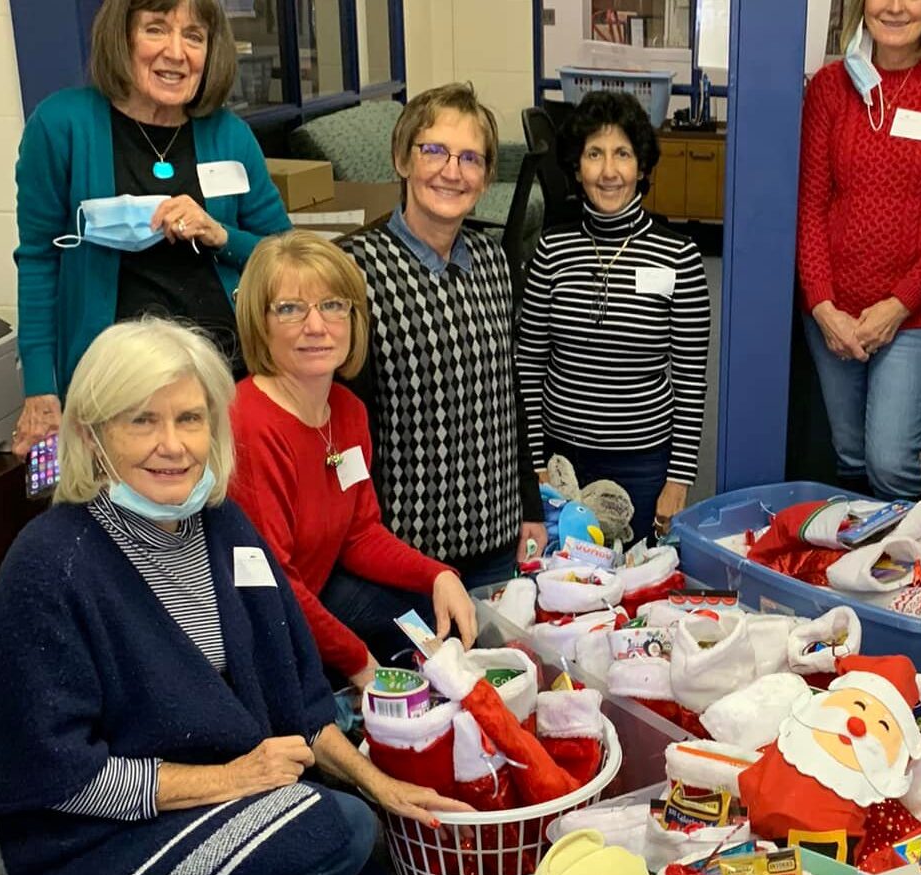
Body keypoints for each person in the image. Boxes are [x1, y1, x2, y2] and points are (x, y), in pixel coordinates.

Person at [0, 320, 469, 875]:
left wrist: (381, 781)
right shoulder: (52, 564)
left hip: (223, 787)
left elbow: (298, 696)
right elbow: (57, 777)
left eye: (189, 418)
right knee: (339, 831)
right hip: (88, 844)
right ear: (91, 435)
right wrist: (236, 780)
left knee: (371, 840)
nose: (172, 445)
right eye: (141, 420)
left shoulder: (225, 525)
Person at [11, 0, 291, 458]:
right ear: (121, 37)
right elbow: (39, 260)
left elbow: (286, 256)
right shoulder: (61, 124)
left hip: (224, 380)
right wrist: (41, 388)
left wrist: (220, 234)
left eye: (194, 36)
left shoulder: (229, 133)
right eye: (156, 29)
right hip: (113, 390)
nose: (177, 52)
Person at [228, 232, 478, 688]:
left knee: (437, 624)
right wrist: (360, 662)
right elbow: (274, 583)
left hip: (316, 597)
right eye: (290, 309)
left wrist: (437, 574)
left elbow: (360, 533)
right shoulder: (248, 422)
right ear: (259, 323)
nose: (317, 325)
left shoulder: (346, 410)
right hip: (255, 632)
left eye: (332, 305)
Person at [340, 83, 547, 586]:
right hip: (409, 553)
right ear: (401, 158)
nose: (452, 171)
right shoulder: (355, 269)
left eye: (470, 158)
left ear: (485, 176)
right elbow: (346, 425)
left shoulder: (495, 260)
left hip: (497, 537)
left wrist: (529, 506)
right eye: (434, 150)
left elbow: (509, 393)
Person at [797, 0, 921, 501]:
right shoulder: (828, 87)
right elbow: (810, 205)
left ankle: (919, 554)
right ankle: (862, 568)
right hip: (834, 313)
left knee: (889, 464)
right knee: (850, 456)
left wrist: (898, 304)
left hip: (913, 314)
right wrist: (823, 306)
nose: (895, 7)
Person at [515, 90, 711, 543]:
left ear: (641, 167)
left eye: (622, 154)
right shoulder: (551, 250)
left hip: (643, 460)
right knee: (560, 587)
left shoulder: (679, 257)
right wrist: (535, 466)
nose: (608, 172)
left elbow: (690, 378)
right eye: (594, 154)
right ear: (576, 167)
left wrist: (678, 482)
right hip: (560, 459)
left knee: (635, 590)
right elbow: (528, 366)